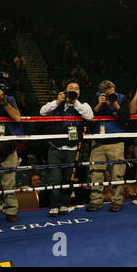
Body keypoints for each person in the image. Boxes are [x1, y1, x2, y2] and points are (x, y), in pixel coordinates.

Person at [40, 79, 94, 217]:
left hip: (72, 148)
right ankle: (53, 206)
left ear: (79, 92)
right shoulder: (57, 104)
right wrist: (57, 101)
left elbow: (89, 116)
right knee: (54, 179)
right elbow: (42, 112)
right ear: (65, 90)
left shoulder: (83, 105)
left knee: (69, 179)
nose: (74, 90)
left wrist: (75, 101)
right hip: (55, 147)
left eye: (77, 88)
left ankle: (64, 204)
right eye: (71, 88)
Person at [87, 80, 130, 212]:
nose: (110, 95)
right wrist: (99, 104)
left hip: (116, 142)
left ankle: (117, 201)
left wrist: (115, 103)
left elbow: (126, 117)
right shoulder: (95, 98)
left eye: (112, 93)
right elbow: (88, 119)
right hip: (98, 143)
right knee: (96, 174)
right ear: (101, 93)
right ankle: (95, 201)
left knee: (117, 174)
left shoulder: (121, 98)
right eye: (107, 94)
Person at [0, 81, 23, 222]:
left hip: (7, 148)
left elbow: (17, 117)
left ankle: (11, 211)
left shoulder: (8, 99)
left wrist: (3, 102)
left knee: (9, 183)